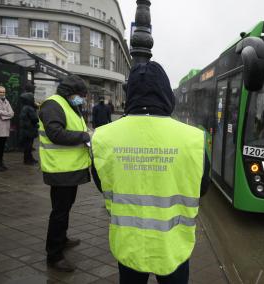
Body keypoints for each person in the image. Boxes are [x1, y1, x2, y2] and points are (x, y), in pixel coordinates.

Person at [91, 61, 210, 284]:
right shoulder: (193, 138)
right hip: (173, 243)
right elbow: (202, 187)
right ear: (166, 92)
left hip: (128, 242)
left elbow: (100, 183)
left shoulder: (102, 137)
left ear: (130, 93)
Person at [38, 75, 91, 272]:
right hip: (61, 169)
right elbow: (56, 134)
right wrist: (84, 136)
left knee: (64, 208)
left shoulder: (69, 105)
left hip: (69, 169)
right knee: (59, 212)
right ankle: (54, 254)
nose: (83, 99)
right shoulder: (53, 105)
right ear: (70, 92)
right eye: (81, 95)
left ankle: (62, 239)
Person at [0, 85, 14, 172]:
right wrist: (6, 114)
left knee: (2, 147)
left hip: (5, 127)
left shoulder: (6, 100)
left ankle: (1, 163)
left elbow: (12, 113)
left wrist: (0, 114)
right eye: (0, 92)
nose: (2, 93)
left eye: (3, 92)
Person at [19, 83, 39, 165]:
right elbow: (35, 119)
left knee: (28, 146)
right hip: (30, 129)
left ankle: (29, 159)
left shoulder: (25, 106)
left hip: (26, 129)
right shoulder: (29, 108)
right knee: (28, 146)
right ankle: (28, 160)